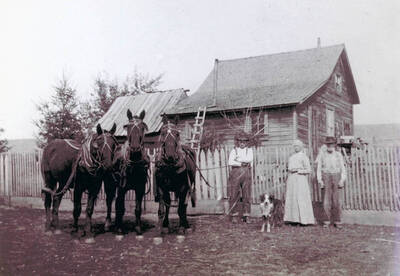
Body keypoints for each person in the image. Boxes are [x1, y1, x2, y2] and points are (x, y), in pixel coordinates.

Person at [283, 139, 316, 225]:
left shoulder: (304, 157)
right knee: (292, 198)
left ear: (301, 147)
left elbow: (308, 170)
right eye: (295, 146)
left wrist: (299, 171)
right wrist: (290, 171)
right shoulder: (291, 157)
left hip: (300, 179)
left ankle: (303, 220)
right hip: (291, 179)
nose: (296, 148)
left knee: (300, 198)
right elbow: (288, 168)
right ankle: (293, 219)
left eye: (298, 146)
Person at [317, 136, 346, 228]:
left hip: (336, 175)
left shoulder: (338, 155)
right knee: (326, 200)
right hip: (326, 176)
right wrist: (320, 180)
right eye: (328, 144)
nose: (330, 146)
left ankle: (337, 220)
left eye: (332, 144)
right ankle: (326, 220)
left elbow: (343, 168)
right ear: (326, 145)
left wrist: (342, 179)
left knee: (336, 199)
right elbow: (319, 168)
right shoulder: (322, 155)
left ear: (334, 145)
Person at [227, 132, 253, 223]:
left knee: (247, 194)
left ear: (246, 143)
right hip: (235, 173)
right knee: (234, 194)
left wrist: (238, 159)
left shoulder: (249, 150)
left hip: (246, 173)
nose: (242, 143)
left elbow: (249, 159)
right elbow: (230, 162)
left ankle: (247, 215)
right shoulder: (234, 150)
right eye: (240, 141)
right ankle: (234, 215)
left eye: (244, 142)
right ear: (238, 142)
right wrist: (241, 163)